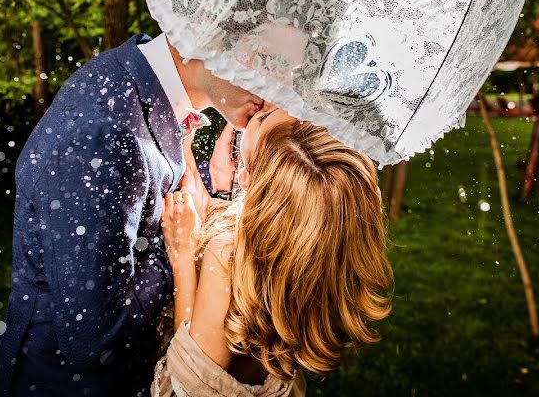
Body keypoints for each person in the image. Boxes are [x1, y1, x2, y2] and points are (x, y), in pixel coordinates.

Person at [0, 33, 264, 396]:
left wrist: (209, 181)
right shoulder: (100, 132)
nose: (276, 88)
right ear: (208, 32)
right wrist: (183, 248)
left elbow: (136, 193)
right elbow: (93, 337)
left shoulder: (139, 83)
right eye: (267, 63)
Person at [154, 106, 393, 396]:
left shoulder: (227, 252)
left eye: (264, 117)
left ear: (246, 179)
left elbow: (189, 380)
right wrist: (199, 166)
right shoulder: (313, 244)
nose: (267, 104)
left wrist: (182, 253)